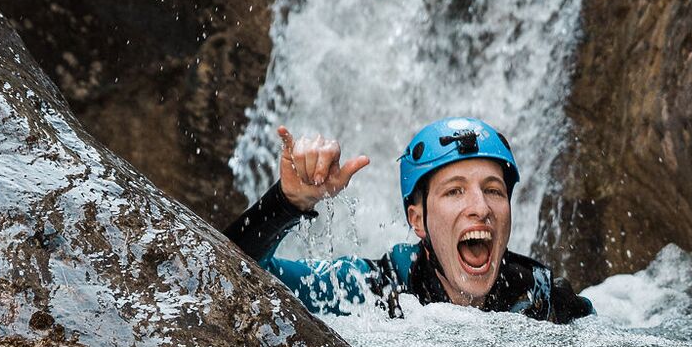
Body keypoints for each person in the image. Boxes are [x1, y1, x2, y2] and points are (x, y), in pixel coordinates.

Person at [223, 116, 593, 323]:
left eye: (494, 190)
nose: (481, 207)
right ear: (418, 221)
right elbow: (229, 275)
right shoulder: (373, 291)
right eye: (455, 191)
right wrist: (288, 202)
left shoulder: (543, 300)